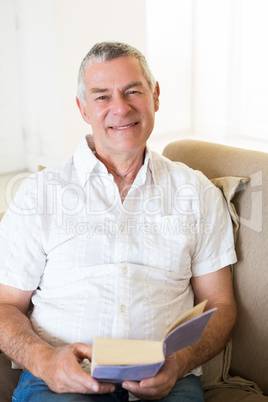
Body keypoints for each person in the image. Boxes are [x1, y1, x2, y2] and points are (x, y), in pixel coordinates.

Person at [0, 42, 237, 402]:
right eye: (101, 96)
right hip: (59, 382)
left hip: (168, 383)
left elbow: (219, 305)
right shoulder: (38, 195)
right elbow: (5, 305)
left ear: (155, 96)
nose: (120, 108)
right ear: (83, 109)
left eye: (133, 91)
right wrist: (46, 361)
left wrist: (181, 360)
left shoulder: (198, 193)